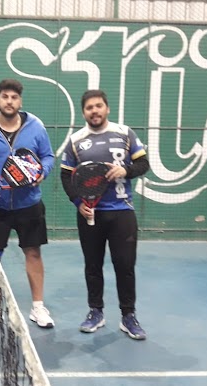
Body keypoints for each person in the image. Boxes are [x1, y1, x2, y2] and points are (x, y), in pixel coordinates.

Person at [60, 89, 149, 340]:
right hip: (90, 215)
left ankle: (128, 316)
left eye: (98, 106)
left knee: (125, 266)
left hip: (122, 212)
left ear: (107, 108)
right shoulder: (76, 140)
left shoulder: (125, 133)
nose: (94, 111)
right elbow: (66, 175)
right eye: (89, 108)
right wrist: (78, 201)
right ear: (84, 112)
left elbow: (143, 164)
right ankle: (95, 312)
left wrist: (125, 171)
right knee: (92, 265)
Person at [0, 78, 55, 329]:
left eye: (14, 97)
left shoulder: (36, 127)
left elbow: (48, 156)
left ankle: (38, 307)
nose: (9, 101)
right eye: (5, 96)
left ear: (20, 101)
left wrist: (42, 172)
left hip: (29, 204)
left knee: (33, 253)